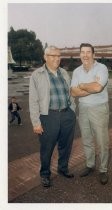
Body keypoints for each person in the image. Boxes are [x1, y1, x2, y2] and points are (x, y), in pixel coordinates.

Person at [29, 46, 76, 188]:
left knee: (65, 146)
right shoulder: (37, 75)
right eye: (53, 56)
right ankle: (45, 174)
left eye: (59, 56)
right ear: (45, 57)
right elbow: (33, 100)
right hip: (49, 116)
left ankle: (63, 169)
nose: (57, 58)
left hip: (67, 114)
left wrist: (72, 111)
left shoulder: (64, 73)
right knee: (47, 148)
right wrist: (36, 123)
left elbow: (70, 93)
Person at [71, 43, 109, 185]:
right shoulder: (76, 72)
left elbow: (98, 87)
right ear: (80, 54)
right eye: (82, 52)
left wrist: (82, 85)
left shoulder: (102, 68)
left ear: (93, 55)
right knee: (86, 139)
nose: (85, 55)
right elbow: (73, 92)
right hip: (83, 109)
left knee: (102, 141)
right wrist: (90, 86)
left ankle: (103, 169)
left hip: (99, 108)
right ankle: (90, 165)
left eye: (88, 52)